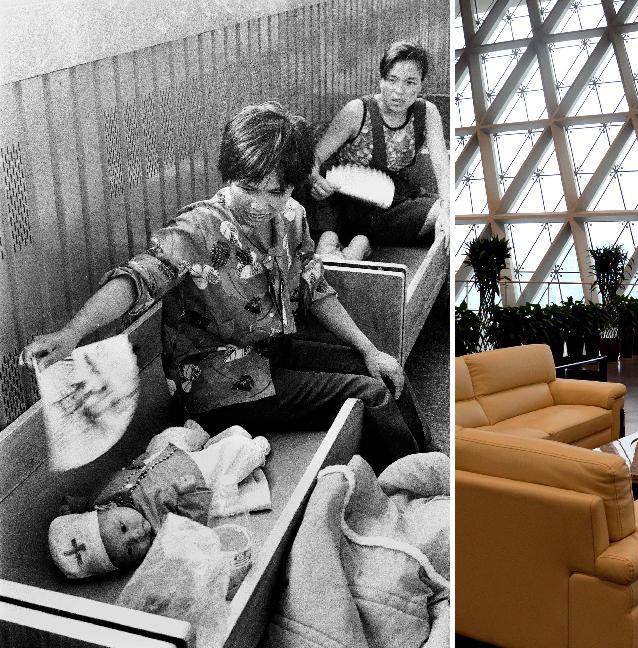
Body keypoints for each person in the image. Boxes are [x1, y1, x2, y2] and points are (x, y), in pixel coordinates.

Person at [22, 102, 421, 474]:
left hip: (272, 354)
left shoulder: (293, 217)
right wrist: (72, 333)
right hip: (218, 388)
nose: (263, 204)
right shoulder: (199, 229)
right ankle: (414, 490)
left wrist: (369, 349)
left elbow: (316, 288)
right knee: (371, 394)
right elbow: (136, 279)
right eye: (250, 188)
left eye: (277, 191)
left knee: (385, 373)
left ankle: (434, 475)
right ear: (229, 175)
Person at [49, 423, 270, 578]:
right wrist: (185, 493)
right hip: (194, 472)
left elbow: (89, 505)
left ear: (105, 509)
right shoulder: (162, 533)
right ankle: (254, 451)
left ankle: (199, 437)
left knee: (164, 436)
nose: (137, 535)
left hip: (161, 456)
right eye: (131, 550)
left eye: (123, 528)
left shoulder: (101, 502)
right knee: (231, 454)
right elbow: (192, 524)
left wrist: (76, 506)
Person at [307, 41, 450, 259]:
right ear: (381, 79)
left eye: (410, 82)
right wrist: (315, 180)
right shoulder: (357, 111)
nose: (399, 91)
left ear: (421, 85)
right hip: (342, 201)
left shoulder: (426, 113)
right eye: (392, 80)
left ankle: (361, 243)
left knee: (445, 215)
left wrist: (447, 208)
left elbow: (441, 164)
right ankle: (348, 243)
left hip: (388, 202)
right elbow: (314, 158)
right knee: (326, 233)